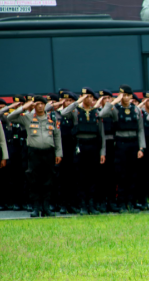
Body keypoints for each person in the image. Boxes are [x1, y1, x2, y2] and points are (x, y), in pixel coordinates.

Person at [7, 96, 62, 217]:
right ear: (34, 105)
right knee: (34, 180)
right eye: (37, 104)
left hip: (49, 152)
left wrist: (59, 153)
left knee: (48, 180)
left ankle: (46, 207)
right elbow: (10, 117)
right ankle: (36, 207)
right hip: (34, 153)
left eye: (42, 104)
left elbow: (57, 136)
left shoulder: (51, 118)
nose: (40, 106)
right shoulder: (28, 117)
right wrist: (23, 107)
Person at [99, 85, 146, 213]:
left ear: (131, 96)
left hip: (134, 144)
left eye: (126, 95)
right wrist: (112, 102)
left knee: (133, 175)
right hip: (120, 144)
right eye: (122, 95)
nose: (124, 98)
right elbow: (101, 114)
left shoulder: (136, 110)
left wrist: (141, 148)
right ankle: (121, 203)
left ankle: (131, 203)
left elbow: (141, 130)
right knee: (121, 175)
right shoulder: (115, 108)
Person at [60, 87, 106, 215]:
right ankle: (83, 205)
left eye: (91, 97)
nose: (89, 99)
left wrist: (102, 152)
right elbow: (63, 112)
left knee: (93, 177)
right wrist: (77, 101)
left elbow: (101, 134)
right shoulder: (76, 111)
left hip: (93, 147)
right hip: (80, 147)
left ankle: (91, 204)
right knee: (81, 178)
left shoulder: (96, 112)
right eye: (86, 97)